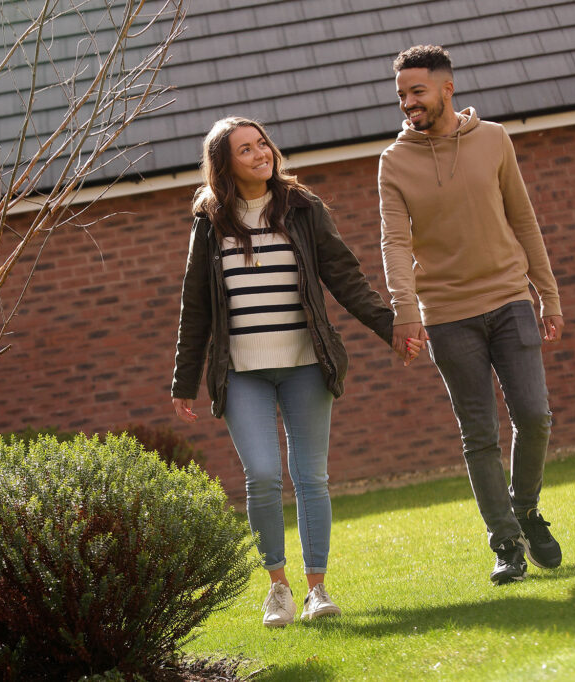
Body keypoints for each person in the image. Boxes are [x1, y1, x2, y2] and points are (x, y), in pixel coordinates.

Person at [172, 116, 421, 627]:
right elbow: (194, 306)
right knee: (262, 475)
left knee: (311, 477)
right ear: (225, 163)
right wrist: (184, 380)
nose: (260, 153)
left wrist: (389, 327)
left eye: (261, 143)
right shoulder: (210, 220)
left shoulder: (302, 208)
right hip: (242, 372)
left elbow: (344, 275)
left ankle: (317, 589)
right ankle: (278, 588)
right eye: (246, 149)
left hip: (307, 364)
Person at [378, 45, 566, 585]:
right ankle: (506, 542)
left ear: (446, 89)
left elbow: (524, 220)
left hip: (509, 300)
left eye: (417, 91)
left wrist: (547, 295)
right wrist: (405, 311)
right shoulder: (395, 161)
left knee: (534, 416)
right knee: (479, 433)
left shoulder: (493, 139)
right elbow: (393, 242)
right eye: (401, 95)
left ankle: (525, 509)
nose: (408, 102)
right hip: (447, 315)